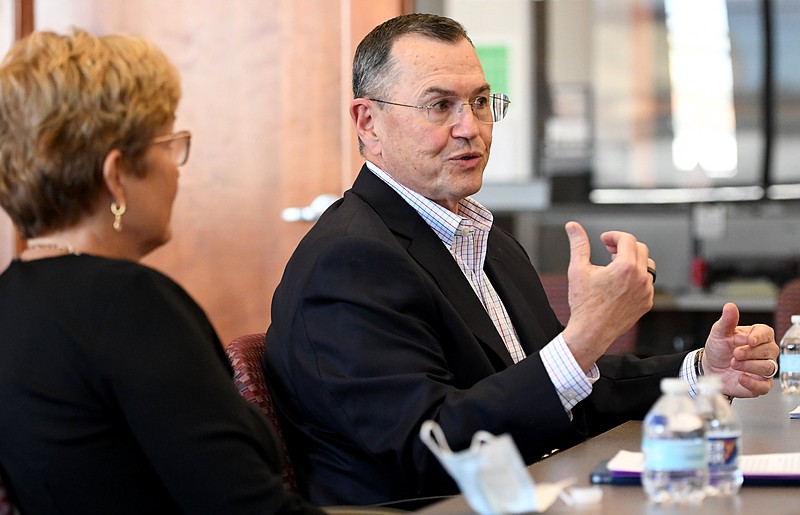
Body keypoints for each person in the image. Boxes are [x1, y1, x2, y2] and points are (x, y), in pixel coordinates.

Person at [263, 13, 779, 507]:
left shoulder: (486, 238)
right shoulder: (350, 260)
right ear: (368, 122)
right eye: (439, 105)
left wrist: (702, 371)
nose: (471, 127)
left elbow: (557, 389)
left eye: (481, 102)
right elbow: (431, 448)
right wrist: (587, 335)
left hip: (535, 489)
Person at [0, 29, 324, 515]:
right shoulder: (129, 303)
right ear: (116, 174)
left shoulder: (12, 299)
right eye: (168, 144)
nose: (177, 168)